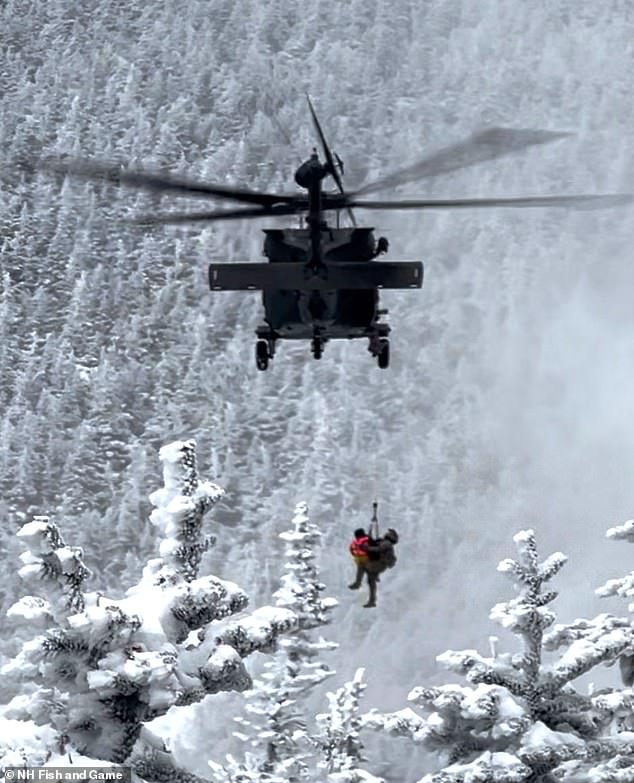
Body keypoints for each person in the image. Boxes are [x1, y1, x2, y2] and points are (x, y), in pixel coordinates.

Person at [349, 528, 399, 608]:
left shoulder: (387, 543)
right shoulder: (385, 542)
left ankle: (358, 583)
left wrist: (367, 548)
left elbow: (378, 549)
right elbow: (376, 545)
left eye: (388, 533)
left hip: (378, 564)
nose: (386, 533)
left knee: (362, 565)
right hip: (379, 564)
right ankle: (372, 601)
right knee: (371, 581)